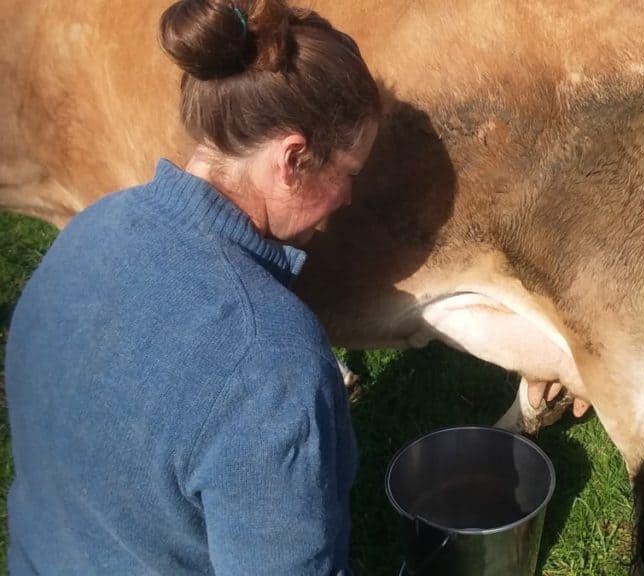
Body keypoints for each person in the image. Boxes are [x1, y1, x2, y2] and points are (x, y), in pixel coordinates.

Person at [4, 0, 380, 574]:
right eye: (348, 174)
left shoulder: (91, 228)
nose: (347, 199)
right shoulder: (270, 364)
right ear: (293, 159)